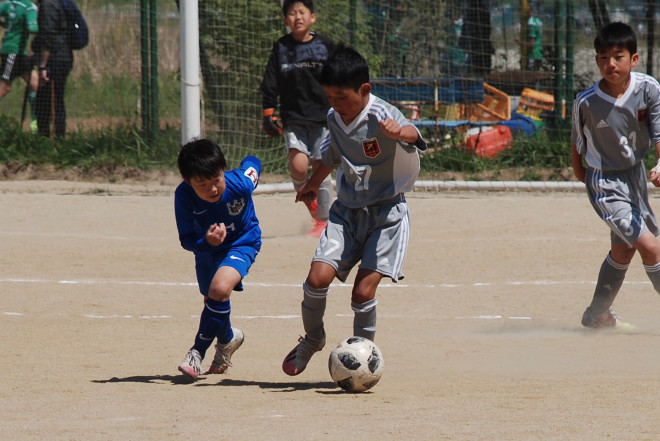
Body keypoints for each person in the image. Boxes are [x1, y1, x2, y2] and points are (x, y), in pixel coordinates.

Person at [281, 44, 428, 376]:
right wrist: (311, 184)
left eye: (342, 97)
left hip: (386, 215)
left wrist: (398, 131)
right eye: (330, 97)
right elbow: (331, 155)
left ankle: (361, 363)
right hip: (346, 213)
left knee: (362, 291)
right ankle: (313, 338)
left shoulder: (383, 116)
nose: (336, 104)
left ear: (365, 90)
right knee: (316, 279)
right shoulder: (334, 118)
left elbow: (415, 135)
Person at [571, 22, 660, 329]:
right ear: (596, 61)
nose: (611, 63)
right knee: (652, 247)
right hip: (605, 182)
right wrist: (593, 183)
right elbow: (576, 148)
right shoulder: (586, 102)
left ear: (633, 59)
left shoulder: (649, 89)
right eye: (604, 57)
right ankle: (597, 315)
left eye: (618, 56)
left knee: (624, 250)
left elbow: (659, 135)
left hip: (635, 178)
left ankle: (596, 316)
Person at [174, 138, 262, 379]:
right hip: (207, 249)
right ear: (187, 181)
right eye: (202, 184)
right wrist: (207, 243)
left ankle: (196, 353)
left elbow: (254, 163)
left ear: (223, 171)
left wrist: (250, 162)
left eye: (216, 180)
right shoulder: (183, 196)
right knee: (212, 303)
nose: (213, 189)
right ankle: (228, 339)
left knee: (220, 287)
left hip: (242, 242)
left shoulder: (241, 184)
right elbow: (187, 240)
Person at [259, 0, 335, 237]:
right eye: (292, 14)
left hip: (323, 118)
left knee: (321, 167)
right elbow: (270, 80)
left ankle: (324, 220)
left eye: (302, 12)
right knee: (298, 166)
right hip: (294, 118)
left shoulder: (325, 45)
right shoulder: (281, 47)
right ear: (285, 21)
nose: (297, 17)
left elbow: (339, 74)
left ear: (313, 17)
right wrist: (268, 111)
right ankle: (309, 198)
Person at [32, 0, 72, 138]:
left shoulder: (48, 5)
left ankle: (53, 140)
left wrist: (43, 66)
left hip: (54, 59)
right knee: (51, 100)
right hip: (64, 55)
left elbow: (47, 37)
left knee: (49, 102)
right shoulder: (58, 3)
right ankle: (52, 138)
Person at [0, 0, 39, 131]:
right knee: (4, 88)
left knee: (34, 82)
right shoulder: (29, 7)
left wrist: (4, 24)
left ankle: (36, 122)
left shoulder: (8, 4)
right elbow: (32, 28)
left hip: (19, 53)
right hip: (13, 51)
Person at [526, 4, 543, 71]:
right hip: (538, 53)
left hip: (533, 55)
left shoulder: (531, 23)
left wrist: (520, 42)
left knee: (530, 77)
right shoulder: (537, 21)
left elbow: (531, 44)